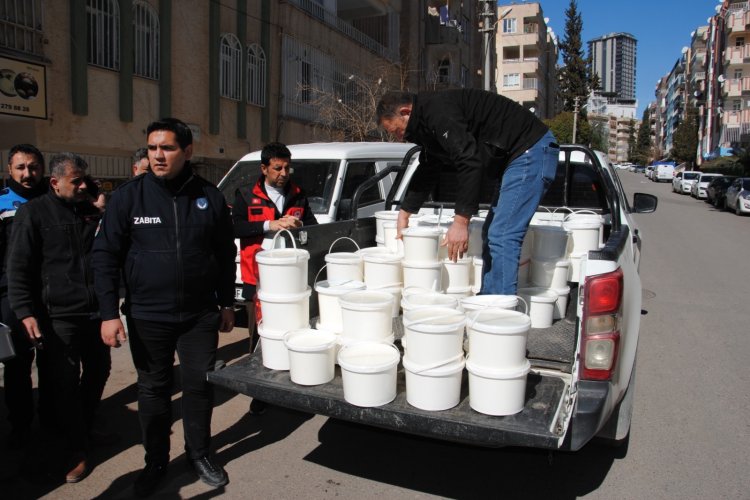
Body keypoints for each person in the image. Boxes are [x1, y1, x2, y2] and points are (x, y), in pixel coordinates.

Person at [93, 118, 236, 496]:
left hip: (199, 315)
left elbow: (225, 253)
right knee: (153, 391)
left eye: (167, 148)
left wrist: (226, 303)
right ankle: (156, 461)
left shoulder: (209, 196)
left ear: (187, 152)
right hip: (147, 314)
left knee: (199, 387)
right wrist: (109, 313)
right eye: (152, 147)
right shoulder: (128, 197)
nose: (157, 155)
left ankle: (199, 453)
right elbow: (105, 256)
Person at [376, 89, 559, 295]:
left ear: (405, 112)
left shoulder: (437, 110)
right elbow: (429, 165)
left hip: (530, 150)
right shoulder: (429, 121)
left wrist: (461, 222)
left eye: (397, 132)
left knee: (503, 234)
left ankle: (500, 314)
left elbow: (469, 161)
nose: (400, 138)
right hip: (517, 156)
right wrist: (404, 213)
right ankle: (488, 301)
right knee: (492, 233)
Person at [7, 152, 111, 483]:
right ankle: (74, 448)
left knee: (99, 370)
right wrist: (25, 312)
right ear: (55, 183)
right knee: (63, 382)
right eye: (75, 181)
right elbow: (18, 267)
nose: (83, 186)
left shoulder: (89, 211)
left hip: (93, 311)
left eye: (85, 179)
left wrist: (101, 211)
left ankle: (84, 427)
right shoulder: (33, 213)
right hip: (57, 315)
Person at [231, 142, 317, 415]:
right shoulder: (246, 194)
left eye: (287, 168)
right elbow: (235, 227)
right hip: (257, 275)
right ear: (264, 168)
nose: (283, 173)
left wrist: (300, 225)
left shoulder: (298, 195)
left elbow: (313, 228)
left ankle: (291, 381)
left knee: (291, 325)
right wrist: (269, 224)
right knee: (261, 331)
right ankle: (261, 390)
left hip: (290, 276)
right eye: (277, 168)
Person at [0, 144, 52, 448]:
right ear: (9, 170)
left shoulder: (52, 200)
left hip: (48, 295)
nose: (27, 173)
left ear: (42, 169)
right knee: (17, 366)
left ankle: (50, 420)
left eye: (33, 167)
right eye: (20, 167)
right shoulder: (3, 203)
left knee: (52, 363)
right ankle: (20, 426)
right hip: (10, 298)